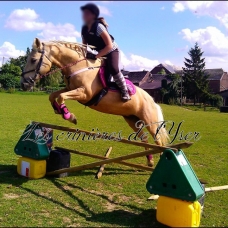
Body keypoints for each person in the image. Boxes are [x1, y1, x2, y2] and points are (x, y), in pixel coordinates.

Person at [80, 3, 131, 101]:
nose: (84, 15)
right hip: (97, 51)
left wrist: (97, 56)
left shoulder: (98, 27)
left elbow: (109, 46)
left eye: (87, 13)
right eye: (83, 13)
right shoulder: (84, 29)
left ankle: (124, 91)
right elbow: (84, 46)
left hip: (111, 50)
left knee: (113, 68)